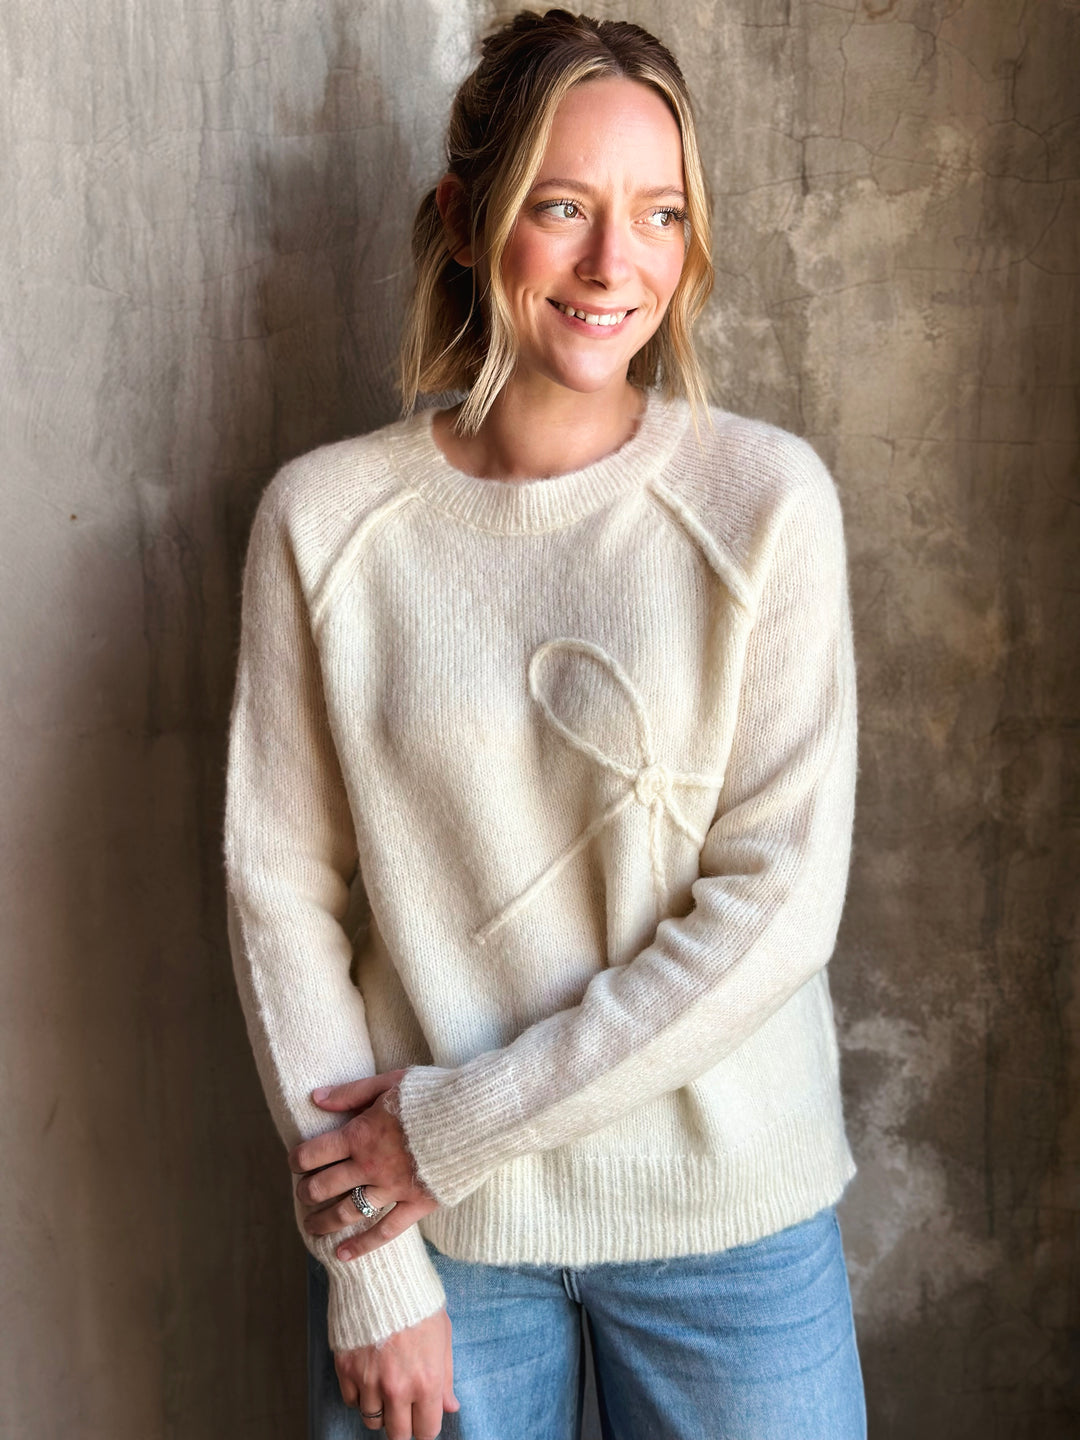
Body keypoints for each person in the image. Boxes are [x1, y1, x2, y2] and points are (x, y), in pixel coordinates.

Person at [224, 9, 866, 1440]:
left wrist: (448, 1131)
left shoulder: (767, 506)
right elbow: (282, 900)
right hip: (435, 1242)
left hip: (723, 1220)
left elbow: (777, 907)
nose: (611, 263)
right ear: (468, 218)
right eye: (561, 206)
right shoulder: (327, 526)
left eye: (660, 213)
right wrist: (372, 1261)